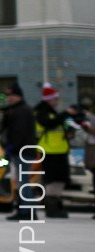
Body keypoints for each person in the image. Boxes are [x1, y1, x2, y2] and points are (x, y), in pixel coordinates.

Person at [32, 85, 76, 218]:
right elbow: (50, 124)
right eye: (55, 99)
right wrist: (66, 113)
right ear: (49, 99)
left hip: (57, 150)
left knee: (58, 179)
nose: (56, 101)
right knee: (53, 180)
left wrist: (69, 131)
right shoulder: (41, 112)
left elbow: (57, 127)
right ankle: (51, 207)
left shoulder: (52, 112)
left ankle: (54, 204)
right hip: (50, 151)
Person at [0, 84, 38, 220]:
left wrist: (11, 148)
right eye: (8, 96)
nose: (9, 98)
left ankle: (27, 211)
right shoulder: (18, 110)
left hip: (22, 151)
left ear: (18, 96)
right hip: (23, 150)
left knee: (23, 182)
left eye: (12, 95)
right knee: (22, 181)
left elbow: (18, 133)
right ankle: (26, 210)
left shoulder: (21, 111)